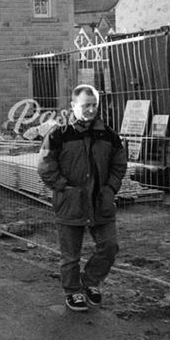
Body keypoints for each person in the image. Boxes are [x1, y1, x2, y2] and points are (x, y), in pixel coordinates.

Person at [38, 84, 127, 313]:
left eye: (94, 105)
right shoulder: (59, 134)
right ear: (73, 106)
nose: (90, 110)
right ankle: (72, 290)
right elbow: (46, 166)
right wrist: (64, 188)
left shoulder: (108, 135)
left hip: (101, 202)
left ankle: (90, 282)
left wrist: (110, 189)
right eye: (85, 105)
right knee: (70, 255)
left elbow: (119, 164)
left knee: (109, 246)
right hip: (71, 203)